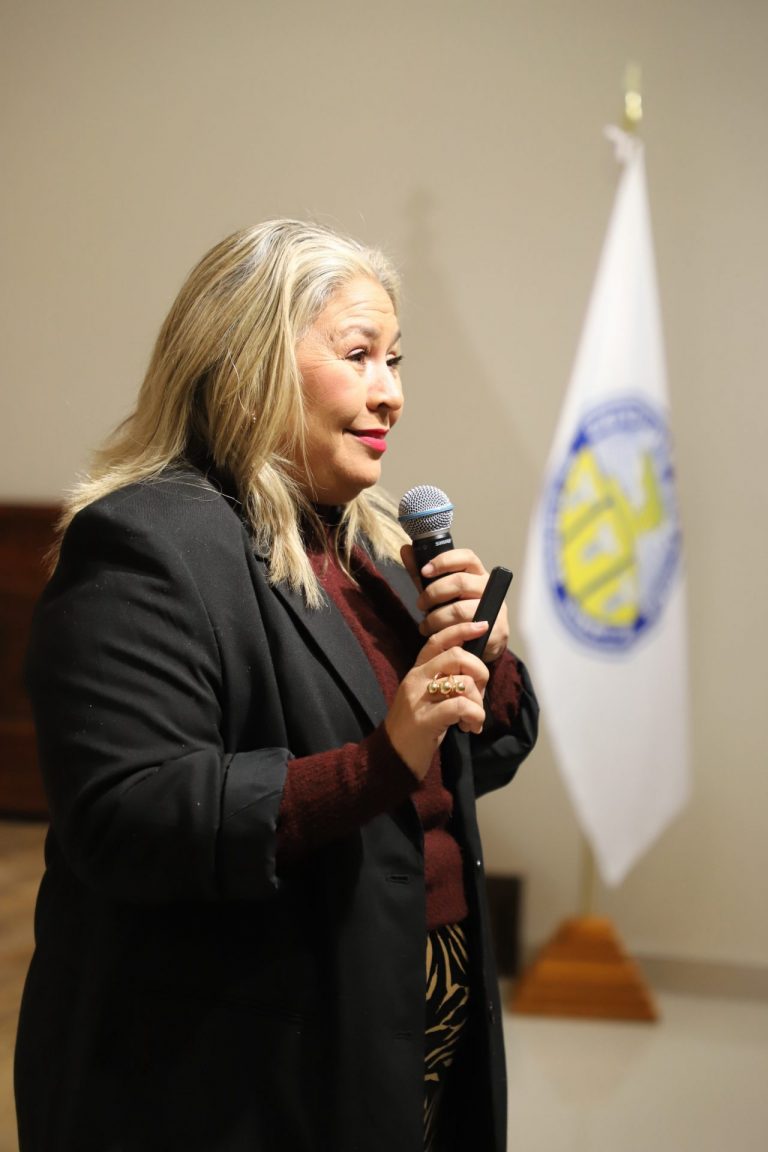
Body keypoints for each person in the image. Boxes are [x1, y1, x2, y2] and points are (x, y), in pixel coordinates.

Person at [15, 219, 538, 1152]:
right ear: (250, 363)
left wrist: (484, 661)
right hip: (236, 1071)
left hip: (399, 1025)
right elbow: (132, 815)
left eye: (395, 360)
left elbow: (447, 774)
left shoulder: (368, 544)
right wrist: (382, 757)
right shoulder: (148, 543)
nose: (392, 393)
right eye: (359, 355)